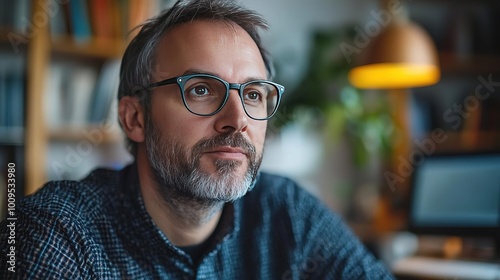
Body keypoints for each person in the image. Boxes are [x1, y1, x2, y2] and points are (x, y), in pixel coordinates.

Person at [1, 0, 394, 278]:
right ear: (135, 118)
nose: (237, 120)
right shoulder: (58, 233)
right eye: (202, 89)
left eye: (253, 94)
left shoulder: (288, 213)